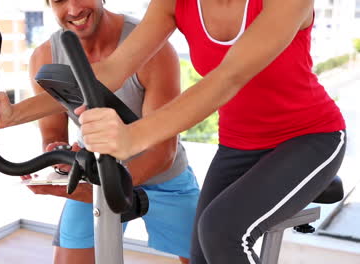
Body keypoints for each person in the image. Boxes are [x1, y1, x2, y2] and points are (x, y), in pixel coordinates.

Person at [73, 0, 347, 263]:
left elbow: (228, 78)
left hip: (310, 137)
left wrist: (133, 137)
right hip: (238, 145)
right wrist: (29, 111)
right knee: (203, 254)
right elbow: (111, 70)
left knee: (222, 232)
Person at [0, 0, 199, 263]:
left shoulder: (150, 46)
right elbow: (54, 136)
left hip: (163, 177)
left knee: (206, 255)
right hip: (99, 174)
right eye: (59, 0)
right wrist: (60, 160)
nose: (74, 9)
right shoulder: (46, 57)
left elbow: (162, 152)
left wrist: (102, 190)